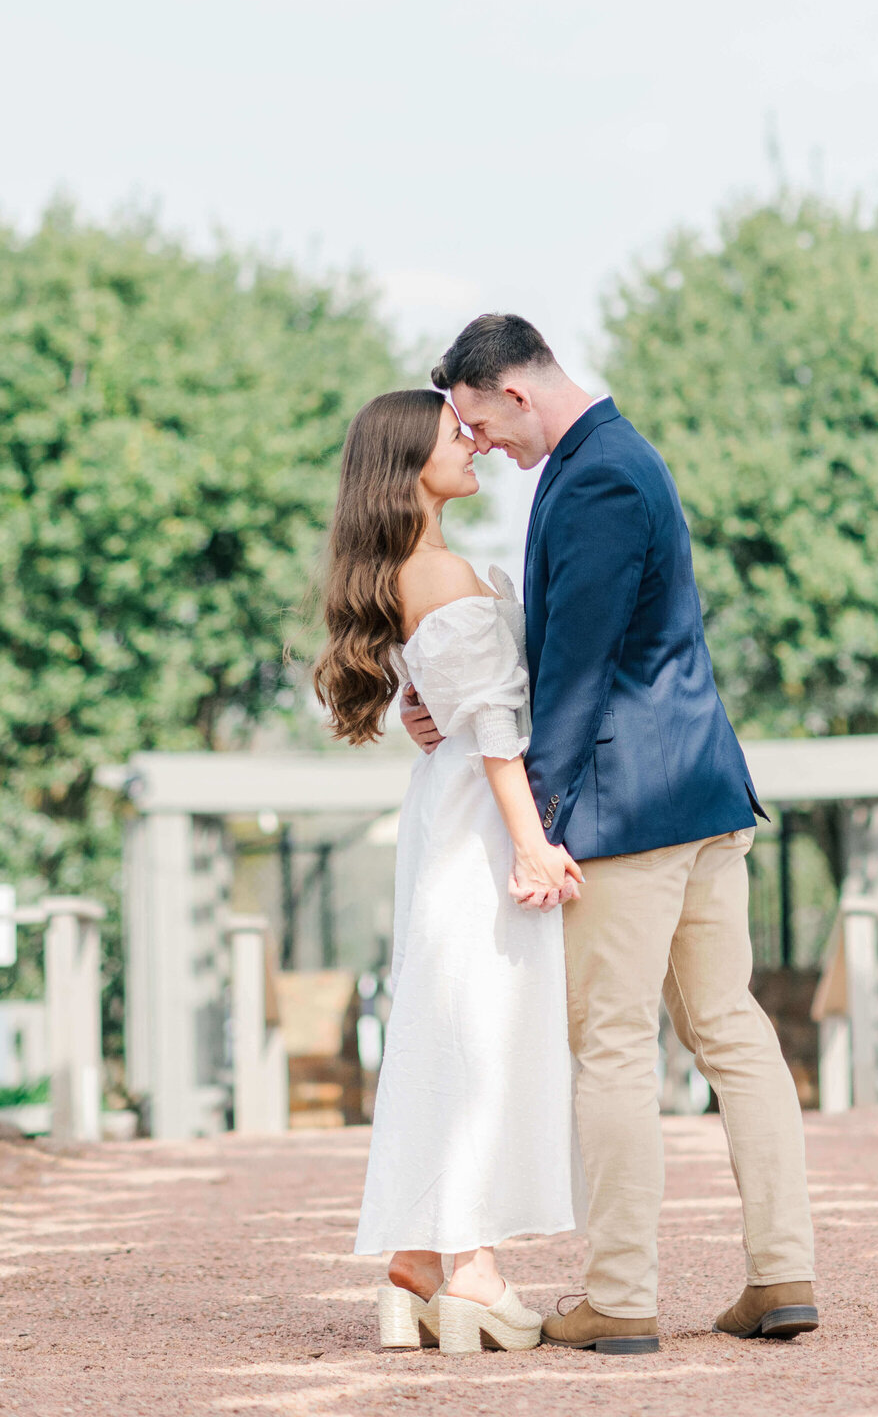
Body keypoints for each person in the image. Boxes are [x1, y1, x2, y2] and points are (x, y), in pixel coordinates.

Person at [407, 312, 818, 1354]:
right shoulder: (627, 455)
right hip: (706, 797)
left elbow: (578, 673)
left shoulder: (587, 478)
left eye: (478, 424)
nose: (485, 447)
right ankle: (781, 1275)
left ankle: (621, 1296)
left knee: (614, 1052)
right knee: (732, 1033)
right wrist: (449, 701)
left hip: (627, 815)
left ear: (514, 392)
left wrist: (530, 826)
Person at [314, 388, 581, 1359]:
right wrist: (531, 846)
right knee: (484, 1042)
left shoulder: (398, 573)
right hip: (479, 821)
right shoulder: (445, 572)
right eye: (451, 433)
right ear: (409, 467)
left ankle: (419, 1261)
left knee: (441, 1032)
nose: (469, 440)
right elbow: (499, 736)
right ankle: (474, 1269)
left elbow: (444, 709)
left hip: (447, 814)